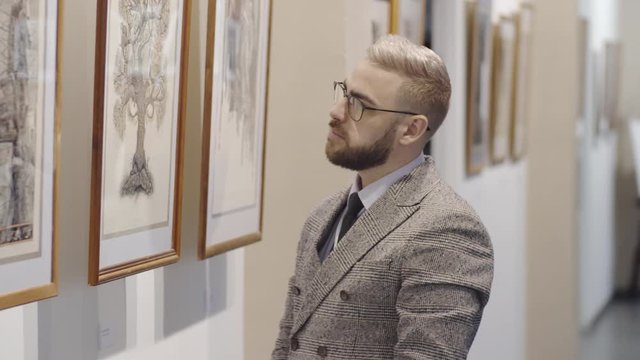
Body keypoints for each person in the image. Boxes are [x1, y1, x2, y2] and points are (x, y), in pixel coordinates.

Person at [271, 35, 494, 360]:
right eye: (344, 93)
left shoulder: (448, 230)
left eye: (359, 104)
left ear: (411, 130)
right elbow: (287, 342)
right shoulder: (323, 215)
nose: (336, 111)